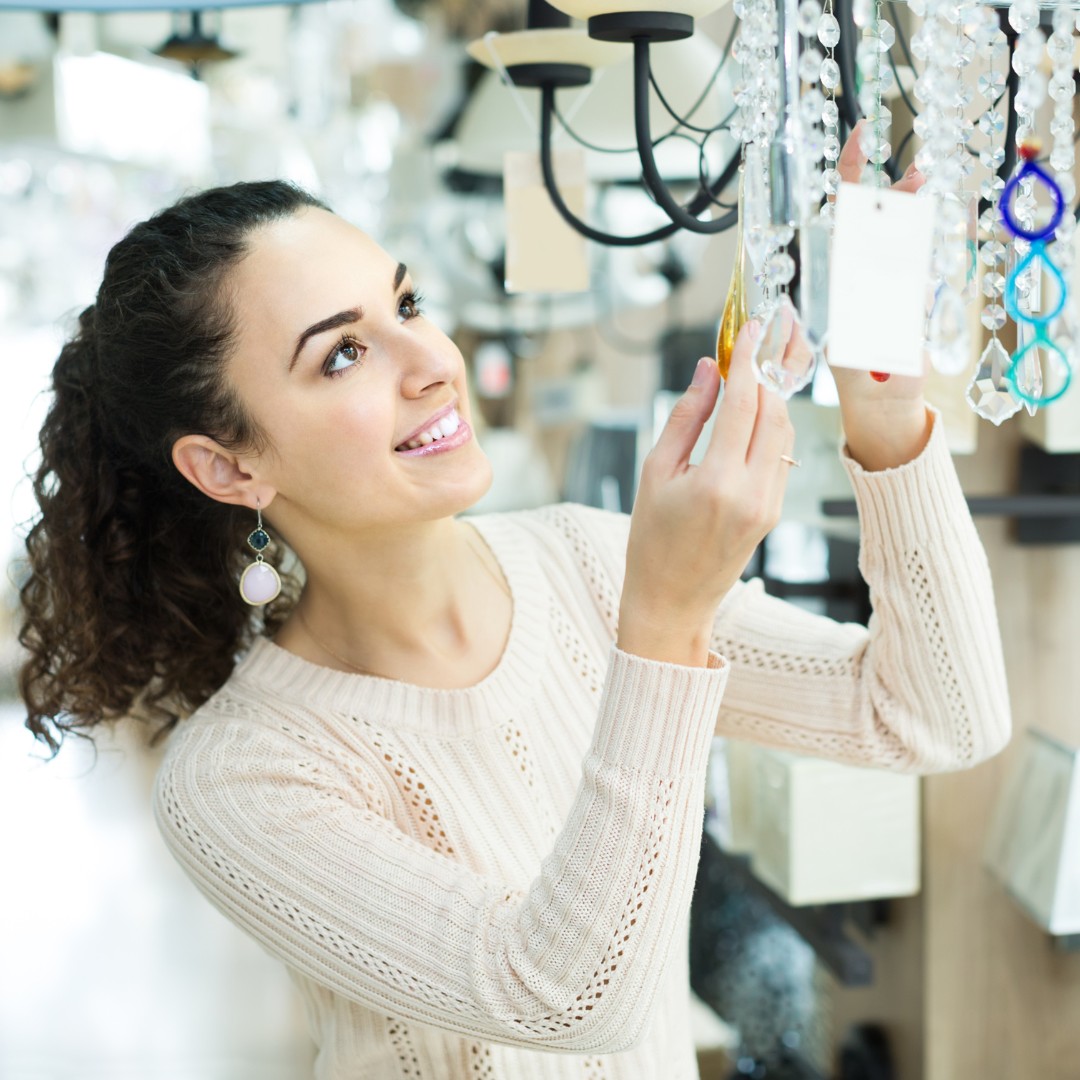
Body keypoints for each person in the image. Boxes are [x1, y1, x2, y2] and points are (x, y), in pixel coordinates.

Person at [18, 137, 1010, 1079]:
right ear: (229, 465)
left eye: (408, 303)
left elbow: (935, 715)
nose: (433, 362)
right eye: (342, 356)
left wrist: (885, 419)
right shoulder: (238, 781)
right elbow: (563, 996)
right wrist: (662, 626)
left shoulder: (583, 560)